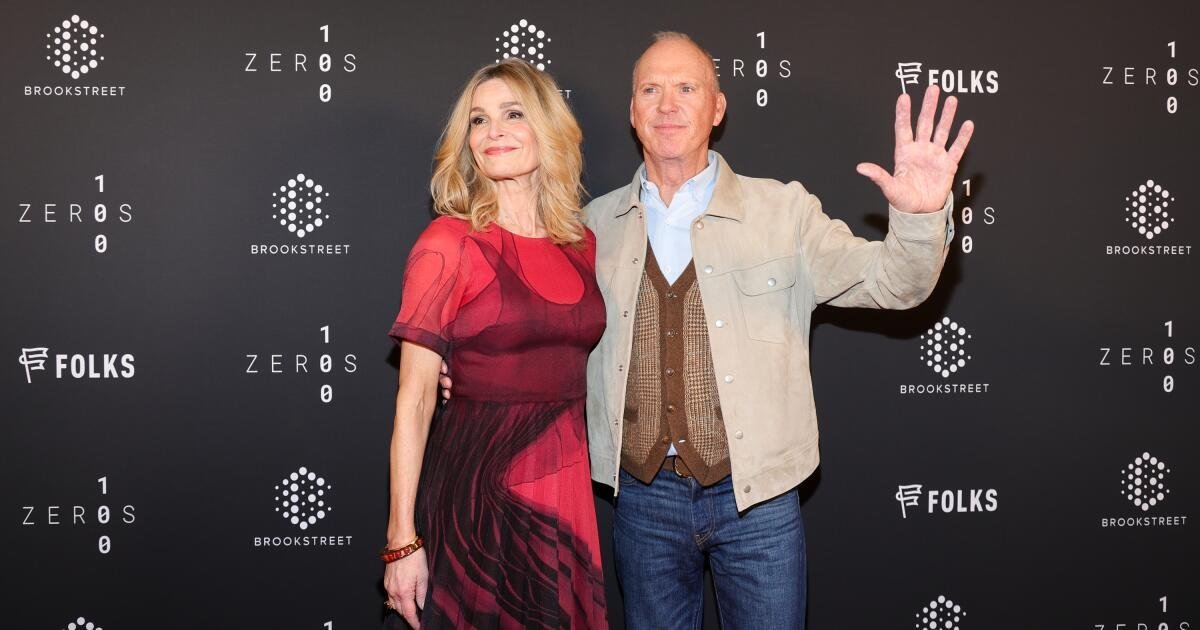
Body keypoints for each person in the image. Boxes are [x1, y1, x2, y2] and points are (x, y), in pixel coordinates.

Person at [578, 33, 974, 628]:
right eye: (651, 90)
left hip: (757, 500)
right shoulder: (593, 226)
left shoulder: (784, 212)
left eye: (686, 88)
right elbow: (549, 333)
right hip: (642, 499)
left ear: (717, 107)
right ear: (633, 111)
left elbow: (894, 285)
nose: (668, 105)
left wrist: (919, 219)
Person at [381, 58, 607, 629]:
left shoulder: (582, 243)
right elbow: (415, 399)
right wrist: (402, 540)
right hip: (478, 491)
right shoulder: (449, 243)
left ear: (548, 127)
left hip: (564, 485)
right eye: (478, 120)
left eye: (513, 114)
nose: (493, 132)